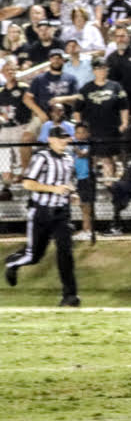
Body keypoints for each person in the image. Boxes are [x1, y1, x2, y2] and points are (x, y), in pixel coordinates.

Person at [3, 126, 78, 305]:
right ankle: (13, 263)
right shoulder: (41, 158)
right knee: (34, 256)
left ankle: (70, 296)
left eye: (66, 138)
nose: (63, 141)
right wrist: (54, 189)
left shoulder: (68, 159)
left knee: (65, 253)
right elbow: (28, 184)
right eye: (60, 138)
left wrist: (71, 192)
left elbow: (66, 181)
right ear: (51, 139)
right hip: (41, 212)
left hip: (61, 213)